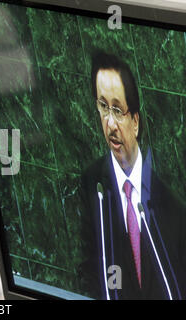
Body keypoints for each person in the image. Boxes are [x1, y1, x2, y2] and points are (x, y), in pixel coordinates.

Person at [79, 51, 186, 300]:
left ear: (135, 121)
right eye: (103, 107)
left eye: (117, 109)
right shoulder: (92, 184)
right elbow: (88, 268)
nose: (110, 124)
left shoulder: (171, 199)